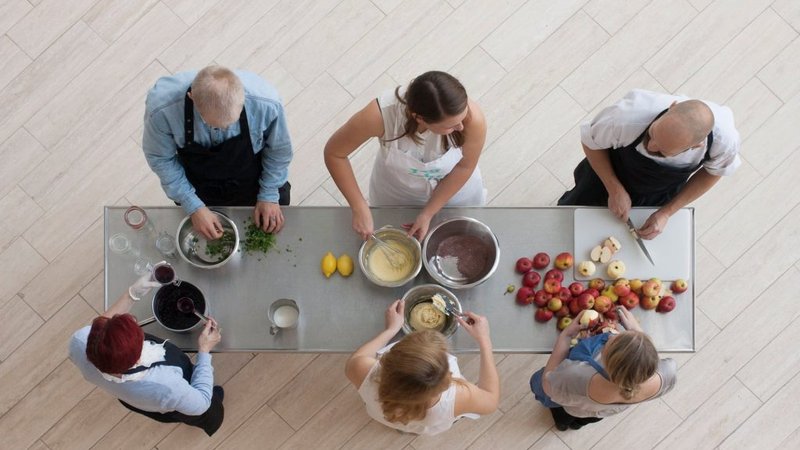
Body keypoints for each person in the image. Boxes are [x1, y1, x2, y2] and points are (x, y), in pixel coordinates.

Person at [325, 71, 487, 240]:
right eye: (451, 126)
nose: (461, 127)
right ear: (419, 118)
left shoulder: (472, 119)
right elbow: (334, 153)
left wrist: (428, 213)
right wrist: (359, 207)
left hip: (454, 192)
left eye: (461, 119)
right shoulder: (380, 115)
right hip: (396, 192)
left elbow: (464, 166)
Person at [558, 89, 741, 239]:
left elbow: (714, 172)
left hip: (659, 191)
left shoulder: (724, 142)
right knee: (569, 216)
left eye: (662, 150)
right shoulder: (627, 115)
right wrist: (614, 188)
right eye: (652, 133)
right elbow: (591, 142)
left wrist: (666, 212)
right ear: (671, 107)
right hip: (607, 172)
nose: (650, 145)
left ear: (696, 146)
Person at [143, 65, 293, 239]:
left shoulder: (266, 102)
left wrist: (268, 195)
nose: (224, 129)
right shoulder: (162, 110)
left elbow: (279, 150)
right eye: (213, 125)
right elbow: (161, 159)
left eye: (231, 124)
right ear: (192, 98)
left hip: (255, 179)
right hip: (199, 186)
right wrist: (194, 206)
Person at [69, 276, 225, 436]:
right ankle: (215, 396)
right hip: (177, 400)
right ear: (138, 358)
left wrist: (132, 294)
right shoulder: (167, 385)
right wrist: (204, 350)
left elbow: (103, 324)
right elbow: (202, 403)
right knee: (210, 402)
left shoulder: (79, 342)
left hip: (134, 399)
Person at [345, 299, 499, 435]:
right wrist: (484, 339)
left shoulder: (362, 370)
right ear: (446, 379)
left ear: (387, 358)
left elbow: (357, 357)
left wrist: (391, 330)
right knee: (415, 427)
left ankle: (398, 425)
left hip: (382, 414)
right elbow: (491, 399)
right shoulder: (457, 398)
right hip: (428, 425)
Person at [530, 308, 677, 431]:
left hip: (572, 407)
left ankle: (562, 424)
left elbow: (547, 384)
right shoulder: (667, 373)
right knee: (584, 420)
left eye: (612, 340)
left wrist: (566, 336)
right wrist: (637, 333)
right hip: (600, 413)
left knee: (563, 414)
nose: (611, 334)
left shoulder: (576, 377)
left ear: (605, 360)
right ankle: (575, 425)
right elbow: (647, 358)